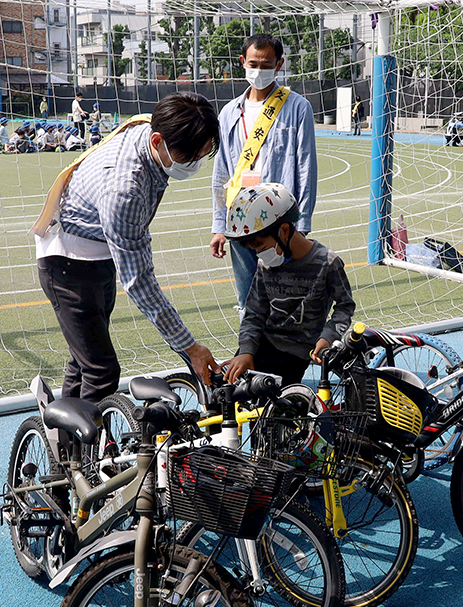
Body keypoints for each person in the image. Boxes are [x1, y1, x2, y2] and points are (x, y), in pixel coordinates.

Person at [32, 91, 222, 400]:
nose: (195, 165)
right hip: (68, 264)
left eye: (201, 156)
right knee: (101, 371)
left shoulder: (152, 125)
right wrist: (189, 347)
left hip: (97, 251)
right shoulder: (125, 189)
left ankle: (62, 441)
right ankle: (88, 447)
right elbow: (139, 282)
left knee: (83, 361)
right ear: (158, 140)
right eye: (190, 158)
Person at [210, 33, 318, 313]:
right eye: (254, 64)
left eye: (266, 64)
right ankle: (250, 355)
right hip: (239, 219)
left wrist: (302, 224)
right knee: (248, 301)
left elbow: (306, 167)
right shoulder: (228, 113)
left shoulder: (297, 107)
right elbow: (221, 172)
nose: (259, 71)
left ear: (279, 64)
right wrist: (219, 225)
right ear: (242, 62)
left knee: (284, 298)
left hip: (279, 220)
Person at [221, 183, 355, 387]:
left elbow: (345, 307)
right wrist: (247, 350)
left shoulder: (327, 263)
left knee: (274, 414)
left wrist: (327, 337)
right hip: (262, 345)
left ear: (283, 230)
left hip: (296, 352)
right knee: (225, 395)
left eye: (261, 246)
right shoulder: (265, 263)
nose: (259, 254)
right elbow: (254, 313)